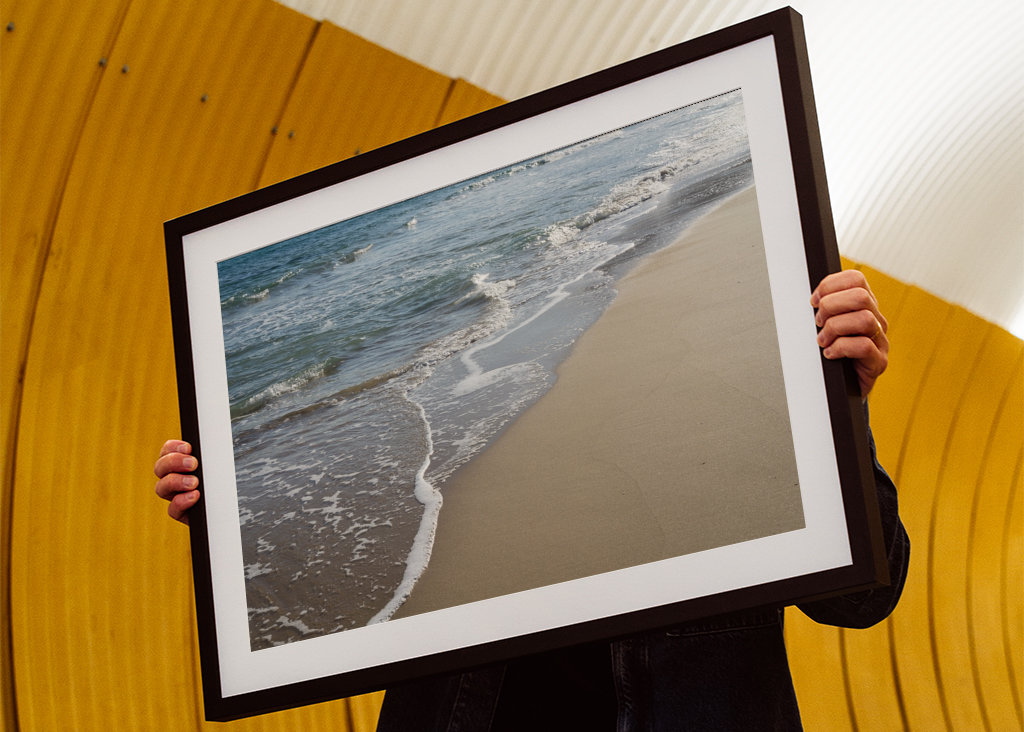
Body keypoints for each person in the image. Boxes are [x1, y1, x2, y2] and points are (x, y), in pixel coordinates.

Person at [155, 269, 909, 730]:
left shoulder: (752, 402)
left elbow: (864, 597)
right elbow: (348, 567)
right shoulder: (444, 459)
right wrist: (237, 508)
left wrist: (840, 404)